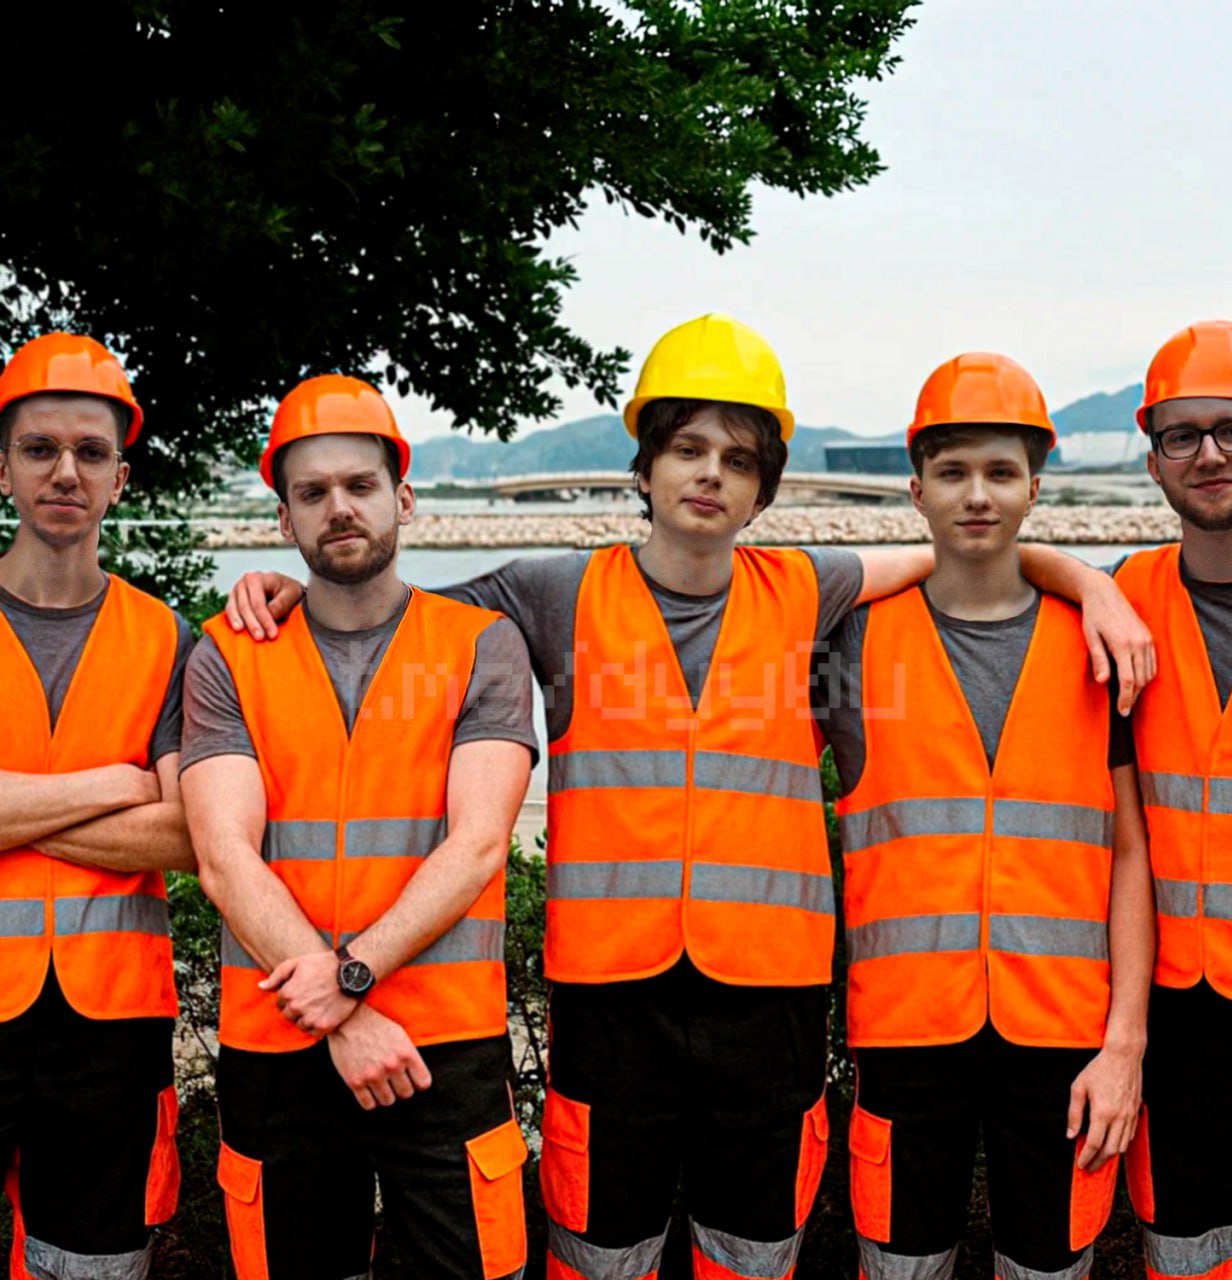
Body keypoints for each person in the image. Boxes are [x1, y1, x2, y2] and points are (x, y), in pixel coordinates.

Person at [224, 316, 1154, 1279]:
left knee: (753, 1252)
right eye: (687, 450)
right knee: (598, 1251)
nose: (710, 475)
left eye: (738, 460)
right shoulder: (553, 594)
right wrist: (285, 590)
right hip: (610, 1002)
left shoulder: (810, 587)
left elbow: (962, 555)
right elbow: (389, 612)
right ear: (647, 467)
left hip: (771, 1002)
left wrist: (1089, 583)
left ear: (763, 490)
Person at [179, 376, 538, 1280]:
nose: (339, 507)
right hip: (279, 1047)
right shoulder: (228, 656)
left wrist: (351, 978)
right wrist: (343, 1014)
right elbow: (224, 856)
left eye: (360, 485)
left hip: (444, 1043)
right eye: (312, 492)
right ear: (284, 519)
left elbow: (478, 844)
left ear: (402, 499)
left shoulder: (481, 643)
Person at [830, 352, 1154, 1280]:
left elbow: (1130, 854)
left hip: (1063, 1040)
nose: (978, 495)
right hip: (902, 1038)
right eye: (953, 472)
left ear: (1035, 488)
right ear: (916, 490)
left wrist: (1124, 1043)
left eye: (1002, 472)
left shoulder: (1099, 643)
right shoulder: (850, 644)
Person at [0, 333, 193, 1279]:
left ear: (121, 477)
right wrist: (117, 783)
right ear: (2, 469)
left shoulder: (168, 637)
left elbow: (188, 831)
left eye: (91, 452)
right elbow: (152, 810)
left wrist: (19, 811)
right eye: (39, 449)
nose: (65, 472)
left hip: (112, 1027)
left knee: (95, 1267)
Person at [1113, 319, 1232, 1280]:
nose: (1209, 453)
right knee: (1191, 1254)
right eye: (1182, 435)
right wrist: (1080, 581)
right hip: (1175, 1019)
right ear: (1154, 463)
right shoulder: (1124, 599)